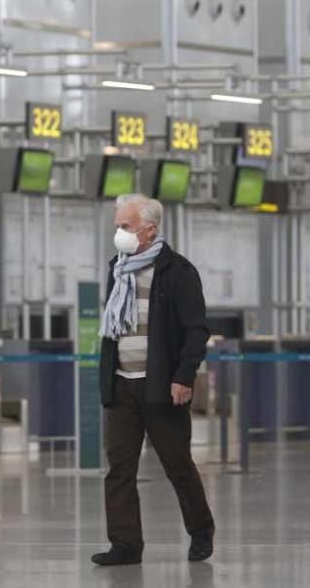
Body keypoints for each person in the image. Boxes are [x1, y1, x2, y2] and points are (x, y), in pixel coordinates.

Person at [92, 194, 215, 567]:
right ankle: (125, 544)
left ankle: (200, 530)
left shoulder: (178, 272)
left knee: (177, 464)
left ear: (149, 229)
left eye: (125, 226)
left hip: (161, 385)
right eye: (118, 225)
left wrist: (183, 377)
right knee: (119, 470)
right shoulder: (118, 269)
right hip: (122, 383)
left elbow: (196, 331)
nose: (119, 232)